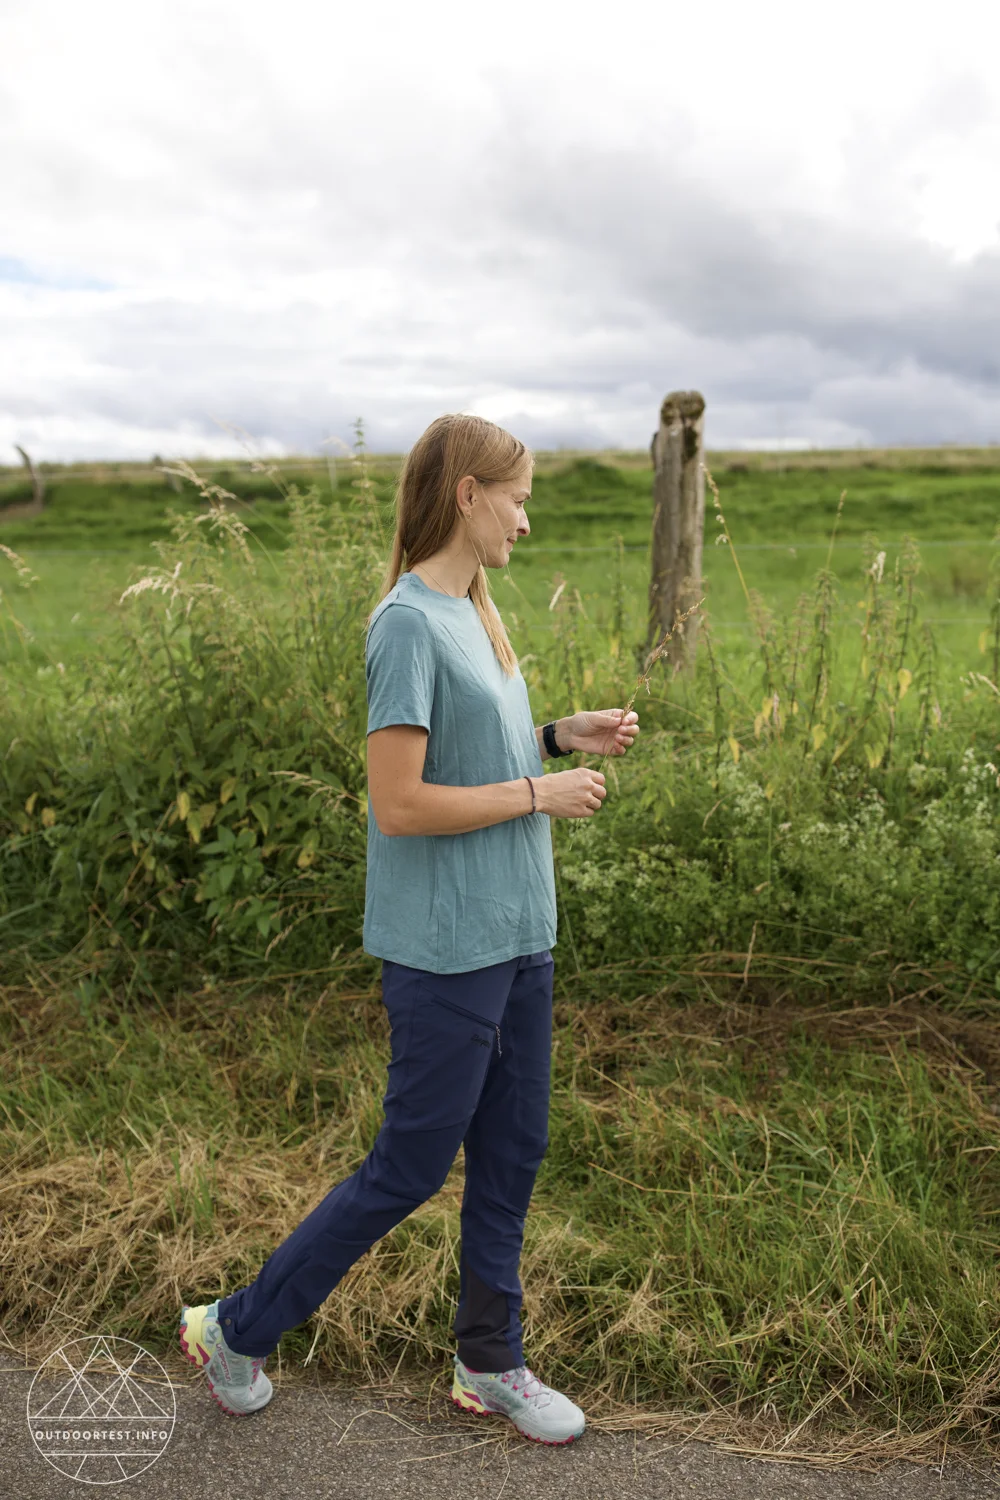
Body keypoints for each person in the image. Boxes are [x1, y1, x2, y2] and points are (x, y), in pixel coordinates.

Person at [179, 413, 640, 1445]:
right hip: (444, 953)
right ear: (468, 495)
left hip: (520, 933)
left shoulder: (476, 608)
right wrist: (539, 789)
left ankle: (489, 1363)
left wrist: (564, 734)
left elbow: (480, 746)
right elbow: (400, 803)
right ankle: (235, 1330)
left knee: (515, 1149)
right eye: (517, 498)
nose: (526, 520)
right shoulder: (405, 623)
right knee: (409, 1167)